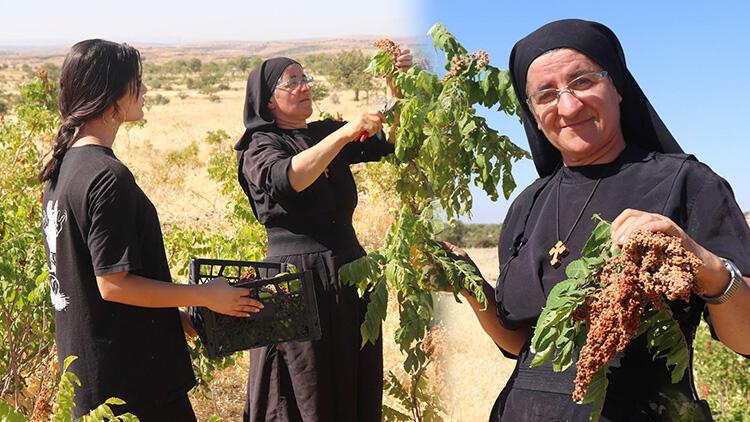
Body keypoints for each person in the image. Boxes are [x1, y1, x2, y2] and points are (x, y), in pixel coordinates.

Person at [448, 19, 750, 421]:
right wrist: (470, 285)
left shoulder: (688, 184)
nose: (568, 106)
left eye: (583, 81)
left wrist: (705, 266)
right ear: (534, 115)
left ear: (618, 87)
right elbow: (525, 346)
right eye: (546, 95)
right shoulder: (528, 205)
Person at [39, 39, 263, 420]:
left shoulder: (63, 170)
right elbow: (113, 284)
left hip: (96, 380)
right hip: (133, 386)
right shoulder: (106, 177)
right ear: (111, 96)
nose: (145, 91)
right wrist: (206, 295)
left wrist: (175, 319)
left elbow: (93, 282)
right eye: (136, 82)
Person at [234, 51, 411, 422]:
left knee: (351, 375)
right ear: (268, 99)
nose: (304, 88)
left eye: (305, 79)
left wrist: (395, 85)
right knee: (303, 383)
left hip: (347, 270)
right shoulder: (259, 145)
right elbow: (289, 178)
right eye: (292, 82)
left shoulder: (319, 133)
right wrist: (345, 133)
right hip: (295, 281)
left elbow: (391, 143)